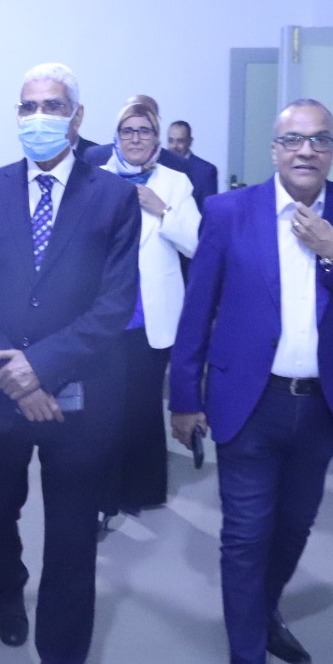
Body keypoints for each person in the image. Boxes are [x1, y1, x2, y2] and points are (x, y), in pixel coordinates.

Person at [170, 99, 333, 664]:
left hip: (322, 405)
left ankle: (261, 610)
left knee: (294, 527)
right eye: (294, 140)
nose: (307, 150)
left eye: (320, 140)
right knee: (245, 535)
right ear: (275, 149)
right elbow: (198, 308)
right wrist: (183, 396)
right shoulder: (229, 212)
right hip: (249, 402)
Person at [0, 62, 139, 664]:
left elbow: (115, 305)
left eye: (52, 105)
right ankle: (7, 586)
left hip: (81, 399)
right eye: (28, 105)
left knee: (72, 544)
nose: (38, 117)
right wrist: (15, 372)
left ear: (77, 117)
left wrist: (45, 367)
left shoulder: (113, 197)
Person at [98, 101, 199, 524]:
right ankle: (105, 493)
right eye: (128, 130)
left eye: (144, 131)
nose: (136, 138)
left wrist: (163, 210)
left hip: (151, 315)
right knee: (105, 407)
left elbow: (197, 244)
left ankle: (142, 489)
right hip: (105, 314)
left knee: (142, 406)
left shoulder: (175, 183)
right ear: (117, 137)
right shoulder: (96, 178)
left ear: (157, 139)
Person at [165, 119, 220, 211]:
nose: (174, 146)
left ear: (190, 142)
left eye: (180, 141)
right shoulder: (159, 167)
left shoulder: (205, 171)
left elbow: (209, 210)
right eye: (170, 141)